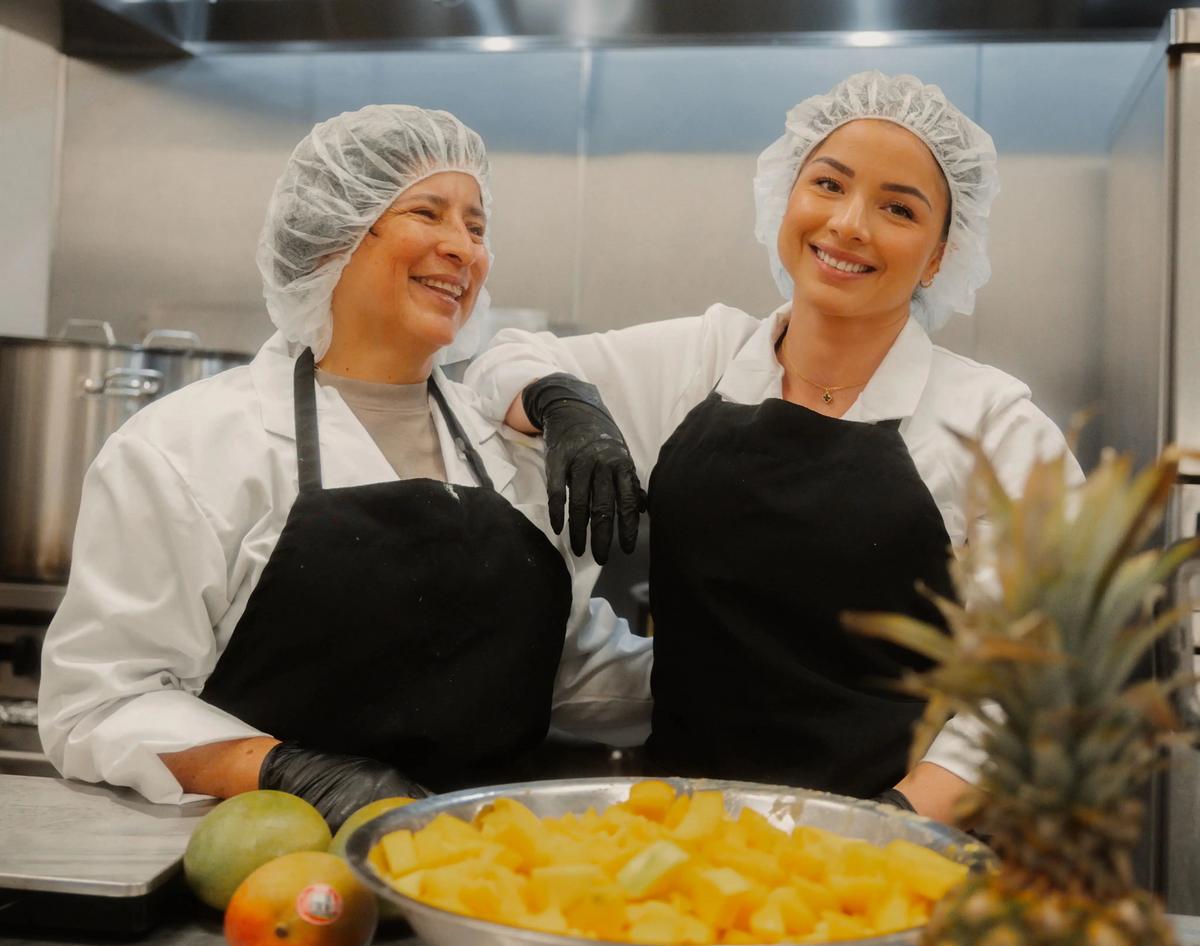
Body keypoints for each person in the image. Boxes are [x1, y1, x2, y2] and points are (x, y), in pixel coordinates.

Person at [466, 72, 1080, 824]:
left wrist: (892, 826)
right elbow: (501, 362)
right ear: (787, 198)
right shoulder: (707, 358)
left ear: (939, 257)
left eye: (898, 208)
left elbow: (1043, 680)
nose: (850, 224)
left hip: (896, 854)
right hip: (685, 841)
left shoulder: (993, 427)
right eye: (828, 183)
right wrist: (565, 403)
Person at [40, 106, 650, 828]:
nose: (462, 248)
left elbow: (576, 673)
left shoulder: (512, 458)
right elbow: (101, 703)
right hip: (264, 877)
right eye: (428, 212)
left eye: (478, 227)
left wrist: (758, 670)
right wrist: (281, 770)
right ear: (330, 234)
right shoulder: (186, 448)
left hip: (477, 876)